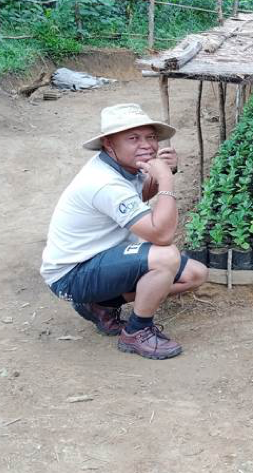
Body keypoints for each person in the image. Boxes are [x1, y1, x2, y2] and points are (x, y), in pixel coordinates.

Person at [41, 103, 207, 360]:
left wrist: (163, 172)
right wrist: (166, 180)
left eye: (150, 137)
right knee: (166, 257)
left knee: (194, 274)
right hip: (72, 274)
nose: (147, 145)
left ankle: (101, 304)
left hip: (101, 258)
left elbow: (139, 195)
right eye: (133, 138)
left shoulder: (124, 166)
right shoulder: (104, 183)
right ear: (109, 144)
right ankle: (137, 331)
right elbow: (161, 236)